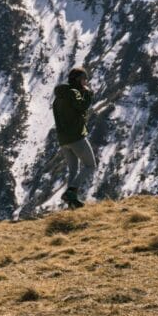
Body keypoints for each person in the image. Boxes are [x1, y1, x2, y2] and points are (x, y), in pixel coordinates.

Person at [53, 67, 97, 209]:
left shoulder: (58, 98)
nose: (86, 82)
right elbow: (82, 106)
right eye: (84, 79)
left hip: (63, 140)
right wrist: (88, 94)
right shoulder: (73, 93)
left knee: (73, 170)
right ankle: (71, 192)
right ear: (78, 80)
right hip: (76, 137)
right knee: (90, 165)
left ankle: (71, 203)